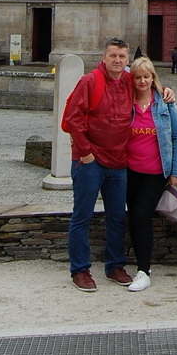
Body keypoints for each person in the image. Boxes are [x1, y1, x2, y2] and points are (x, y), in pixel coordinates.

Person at [63, 38, 135, 293]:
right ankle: (80, 270)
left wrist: (167, 91)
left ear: (128, 59)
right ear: (104, 57)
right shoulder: (90, 81)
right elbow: (72, 118)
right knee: (82, 216)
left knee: (116, 217)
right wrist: (85, 153)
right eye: (113, 55)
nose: (117, 60)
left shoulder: (130, 82)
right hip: (91, 161)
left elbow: (151, 91)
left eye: (122, 56)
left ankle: (114, 266)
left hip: (118, 160)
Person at [125, 57, 177, 292]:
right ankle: (135, 265)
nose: (142, 81)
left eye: (146, 76)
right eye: (138, 77)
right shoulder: (126, 102)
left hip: (156, 172)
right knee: (133, 216)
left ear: (153, 78)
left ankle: (144, 270)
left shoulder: (165, 103)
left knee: (141, 214)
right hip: (129, 170)